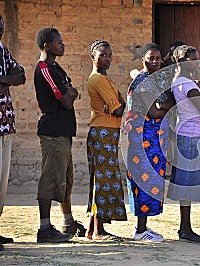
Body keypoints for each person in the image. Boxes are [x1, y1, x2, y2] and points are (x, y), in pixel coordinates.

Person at [34, 27, 86, 243]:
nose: (62, 45)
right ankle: (44, 228)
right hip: (52, 132)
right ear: (47, 45)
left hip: (63, 131)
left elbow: (72, 91)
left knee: (66, 179)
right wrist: (70, 93)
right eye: (59, 42)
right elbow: (66, 99)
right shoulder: (45, 69)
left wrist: (70, 92)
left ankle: (67, 222)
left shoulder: (58, 69)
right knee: (50, 179)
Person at [126, 43, 175, 242]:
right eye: (150, 58)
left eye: (157, 58)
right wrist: (164, 108)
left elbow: (168, 103)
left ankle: (143, 227)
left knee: (151, 179)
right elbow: (153, 112)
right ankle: (140, 230)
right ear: (143, 60)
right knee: (143, 179)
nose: (154, 61)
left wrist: (162, 106)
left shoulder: (155, 81)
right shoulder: (141, 81)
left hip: (153, 138)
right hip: (142, 138)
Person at [167, 45, 200, 244]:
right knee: (187, 186)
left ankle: (186, 227)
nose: (196, 62)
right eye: (192, 59)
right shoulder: (186, 84)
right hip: (191, 138)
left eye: (197, 58)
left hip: (191, 136)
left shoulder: (184, 82)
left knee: (188, 185)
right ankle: (185, 228)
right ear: (181, 61)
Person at [86, 40, 127, 240]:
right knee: (102, 179)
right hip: (102, 130)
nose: (107, 59)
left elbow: (119, 103)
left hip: (109, 130)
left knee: (103, 178)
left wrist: (117, 104)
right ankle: (98, 230)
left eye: (110, 55)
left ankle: (91, 229)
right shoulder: (98, 80)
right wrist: (118, 104)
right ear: (92, 57)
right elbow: (119, 109)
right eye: (102, 55)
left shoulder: (105, 79)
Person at [0, 13, 26, 251]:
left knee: (1, 184)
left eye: (1, 30)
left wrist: (3, 80)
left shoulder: (1, 49)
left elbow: (21, 75)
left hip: (4, 123)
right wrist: (8, 80)